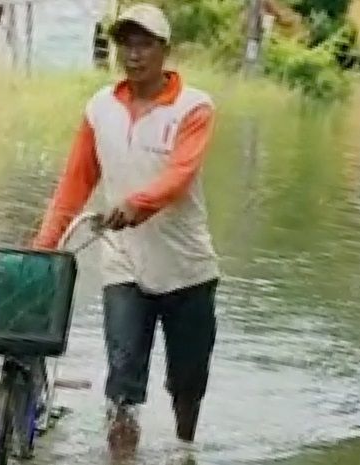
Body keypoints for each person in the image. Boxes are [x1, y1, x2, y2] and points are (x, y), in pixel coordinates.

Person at [32, 2, 220, 460]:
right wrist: (43, 246)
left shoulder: (194, 107)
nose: (134, 54)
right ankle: (122, 456)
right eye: (126, 44)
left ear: (165, 50)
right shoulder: (100, 109)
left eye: (145, 44)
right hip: (124, 262)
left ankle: (184, 450)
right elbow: (75, 182)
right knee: (123, 379)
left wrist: (138, 204)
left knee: (187, 381)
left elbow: (179, 175)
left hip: (187, 266)